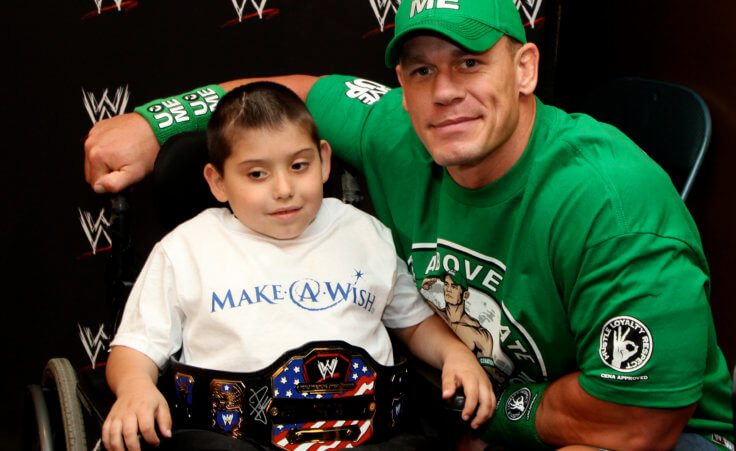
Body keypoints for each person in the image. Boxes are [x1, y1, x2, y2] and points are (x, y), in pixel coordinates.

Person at [86, 0, 735, 449]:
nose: (444, 90)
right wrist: (156, 121)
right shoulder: (396, 128)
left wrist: (494, 417)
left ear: (526, 69)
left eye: (471, 62)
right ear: (400, 81)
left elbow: (637, 421)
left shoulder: (609, 204)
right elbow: (301, 95)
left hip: (651, 431)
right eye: (422, 69)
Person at [101, 82, 494, 451]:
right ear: (217, 181)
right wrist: (136, 387)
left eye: (299, 166)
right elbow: (135, 348)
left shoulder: (363, 233)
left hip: (363, 435)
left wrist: (453, 354)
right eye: (257, 174)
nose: (283, 189)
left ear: (324, 161)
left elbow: (414, 323)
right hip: (236, 437)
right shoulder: (186, 249)